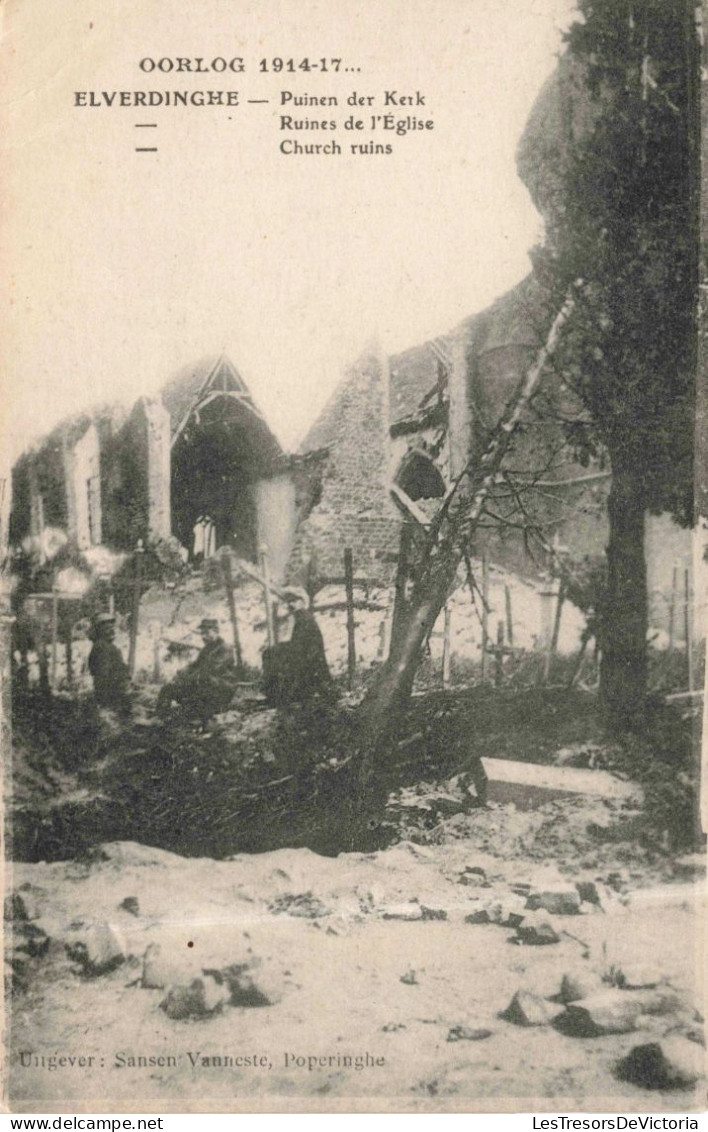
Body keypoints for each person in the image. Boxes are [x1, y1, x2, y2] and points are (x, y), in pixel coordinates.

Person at [156, 617, 236, 723]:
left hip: (221, 690)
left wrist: (187, 678)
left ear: (216, 631)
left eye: (207, 633)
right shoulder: (206, 649)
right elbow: (194, 665)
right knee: (168, 688)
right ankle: (160, 718)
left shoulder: (225, 648)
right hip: (203, 685)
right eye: (202, 633)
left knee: (204, 682)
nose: (204, 636)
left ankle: (197, 713)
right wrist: (181, 672)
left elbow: (212, 669)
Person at [285, 588, 334, 702]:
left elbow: (301, 639)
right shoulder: (300, 616)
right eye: (289, 601)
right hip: (309, 652)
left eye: (294, 601)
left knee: (312, 676)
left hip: (310, 653)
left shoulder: (302, 616)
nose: (291, 604)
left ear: (301, 602)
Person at [88, 613, 132, 718]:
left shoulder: (106, 646)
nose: (112, 631)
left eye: (112, 628)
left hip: (116, 692)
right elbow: (102, 675)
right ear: (99, 631)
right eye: (107, 628)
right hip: (113, 694)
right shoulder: (102, 647)